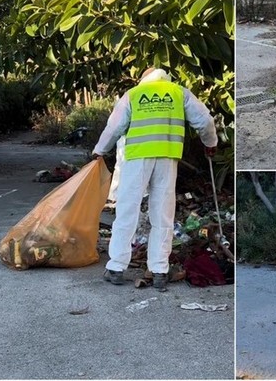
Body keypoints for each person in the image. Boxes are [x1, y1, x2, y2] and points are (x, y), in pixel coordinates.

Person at [92, 67, 217, 292]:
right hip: (167, 158)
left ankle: (116, 268)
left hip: (137, 157)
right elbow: (204, 121)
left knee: (127, 211)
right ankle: (159, 270)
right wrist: (210, 143)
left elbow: (114, 127)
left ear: (144, 78)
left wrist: (100, 150)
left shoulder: (134, 94)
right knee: (163, 214)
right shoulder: (179, 93)